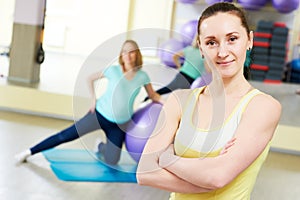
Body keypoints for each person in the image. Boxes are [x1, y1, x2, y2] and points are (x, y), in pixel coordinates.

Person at [137, 2, 281, 200]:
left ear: (249, 40)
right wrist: (202, 179)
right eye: (211, 42)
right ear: (201, 47)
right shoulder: (179, 100)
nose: (222, 52)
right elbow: (144, 172)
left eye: (232, 39)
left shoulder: (263, 107)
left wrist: (168, 157)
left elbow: (217, 177)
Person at [15, 39, 162, 165]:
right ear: (121, 55)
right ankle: (29, 152)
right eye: (124, 52)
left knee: (112, 160)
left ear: (137, 54)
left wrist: (169, 103)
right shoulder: (113, 71)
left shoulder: (143, 76)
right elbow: (90, 78)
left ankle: (100, 146)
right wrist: (93, 99)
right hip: (99, 115)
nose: (128, 56)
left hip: (119, 125)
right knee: (65, 135)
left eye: (132, 52)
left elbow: (153, 95)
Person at [143, 35, 206, 101]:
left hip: (181, 75)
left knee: (168, 89)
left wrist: (179, 66)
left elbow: (175, 56)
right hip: (190, 80)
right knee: (186, 98)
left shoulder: (189, 49)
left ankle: (147, 98)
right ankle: (148, 98)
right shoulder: (204, 54)